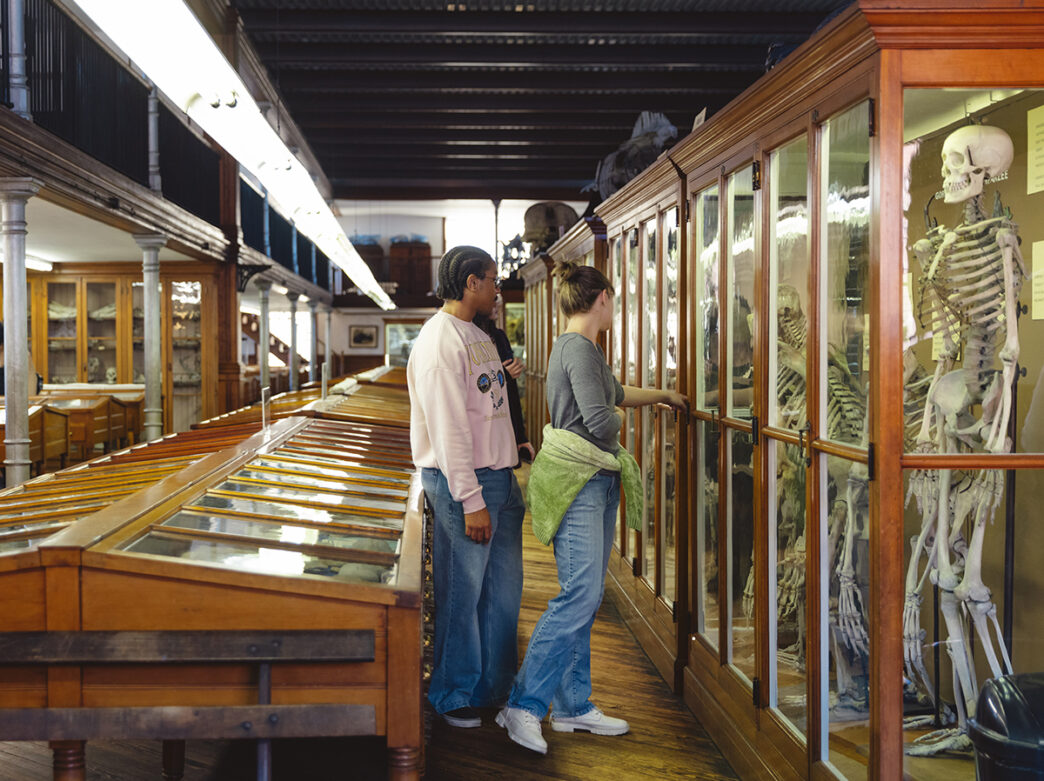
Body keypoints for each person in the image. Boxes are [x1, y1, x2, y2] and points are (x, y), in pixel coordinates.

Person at [496, 260, 688, 754]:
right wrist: (619, 414)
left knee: (585, 595)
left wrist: (662, 394)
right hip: (580, 481)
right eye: (613, 298)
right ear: (601, 298)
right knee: (579, 595)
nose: (614, 305)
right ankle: (522, 706)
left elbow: (616, 396)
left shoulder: (583, 349)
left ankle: (575, 706)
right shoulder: (579, 349)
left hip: (593, 479)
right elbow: (602, 423)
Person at [406, 245, 526, 729]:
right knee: (461, 595)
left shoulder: (477, 334)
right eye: (493, 280)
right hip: (466, 487)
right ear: (472, 282)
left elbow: (490, 407)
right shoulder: (439, 342)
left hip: (499, 479)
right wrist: (471, 499)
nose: (498, 290)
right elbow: (449, 429)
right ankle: (452, 692)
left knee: (501, 593)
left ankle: (493, 686)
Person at [474, 293, 534, 465]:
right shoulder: (471, 337)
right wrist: (504, 375)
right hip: (484, 426)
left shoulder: (499, 336)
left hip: (504, 416)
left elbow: (512, 391)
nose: (497, 306)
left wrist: (520, 435)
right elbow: (478, 386)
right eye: (493, 300)